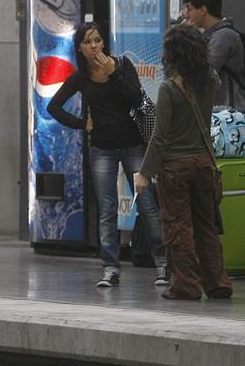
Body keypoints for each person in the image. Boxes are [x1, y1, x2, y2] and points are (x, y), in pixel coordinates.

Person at [47, 23, 169, 288]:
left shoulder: (122, 66)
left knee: (148, 204)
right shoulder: (81, 77)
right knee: (107, 210)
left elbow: (138, 100)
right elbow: (53, 106)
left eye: (98, 40)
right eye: (88, 42)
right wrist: (82, 123)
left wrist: (114, 74)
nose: (95, 46)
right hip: (101, 148)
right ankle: (110, 268)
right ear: (79, 47)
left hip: (133, 145)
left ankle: (163, 263)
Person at [135, 23, 232, 301]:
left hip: (175, 168)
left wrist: (144, 173)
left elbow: (160, 137)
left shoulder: (168, 89)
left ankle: (186, 285)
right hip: (204, 164)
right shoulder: (211, 79)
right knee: (207, 226)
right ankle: (217, 282)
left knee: (178, 228)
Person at [181, 0, 245, 112]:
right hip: (223, 112)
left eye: (189, 9)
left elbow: (203, 73)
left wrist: (184, 36)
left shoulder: (223, 36)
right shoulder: (212, 35)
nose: (185, 14)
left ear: (202, 10)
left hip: (231, 116)